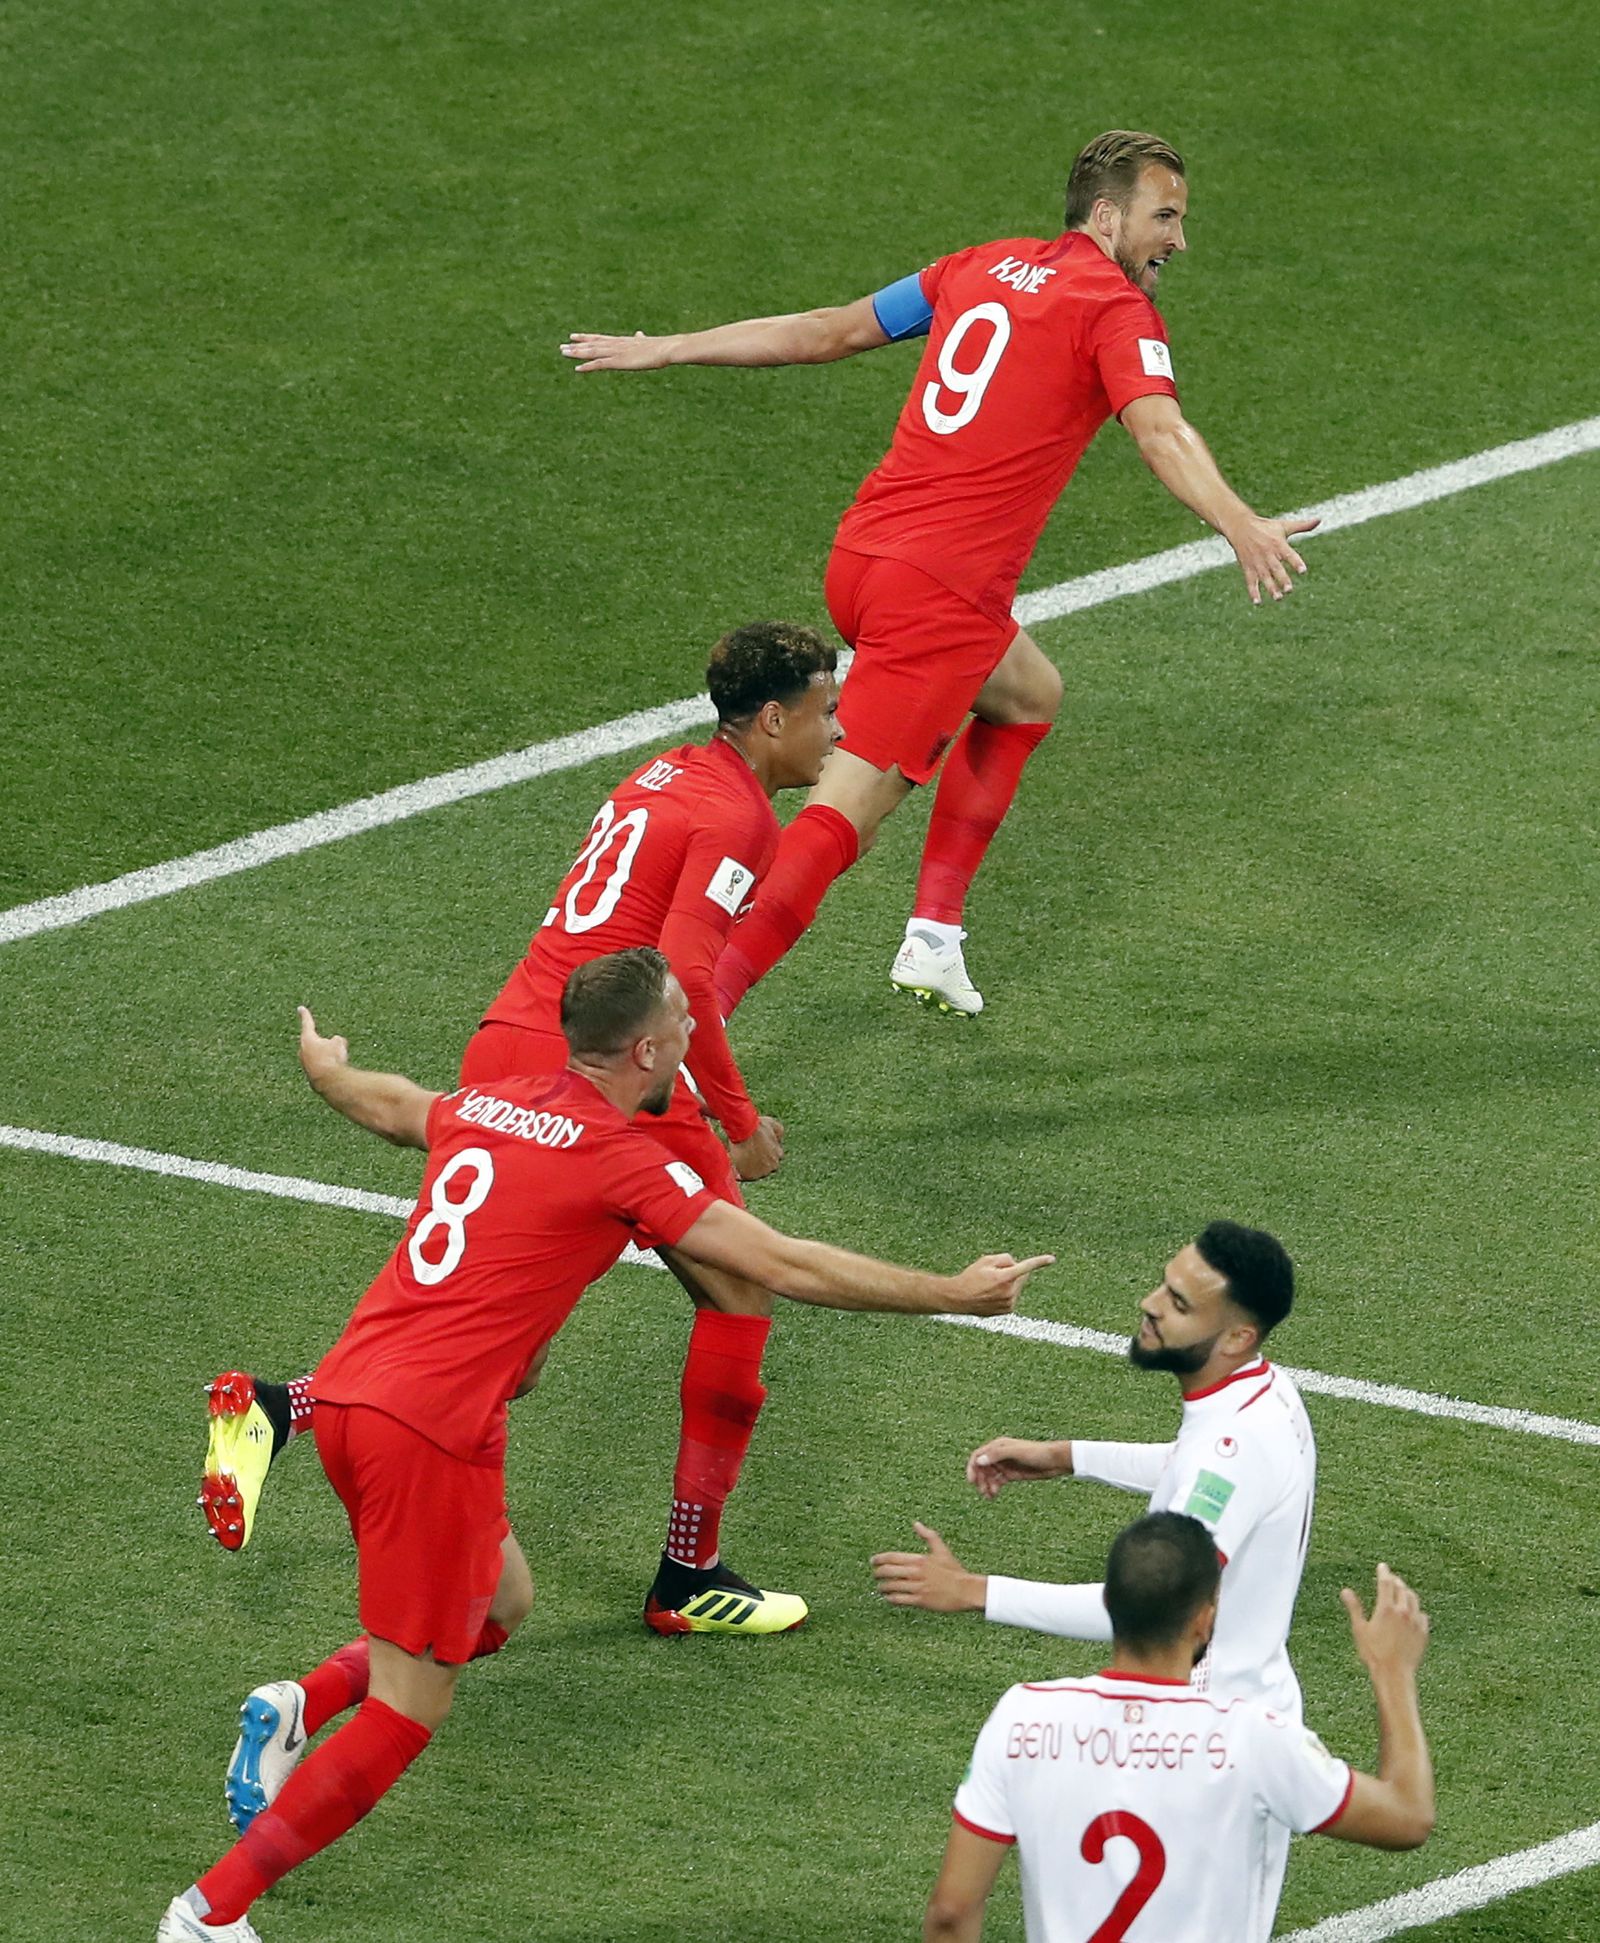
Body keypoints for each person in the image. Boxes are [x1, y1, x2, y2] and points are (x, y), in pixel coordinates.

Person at [159, 950, 1049, 1942]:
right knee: (408, 1709)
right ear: (650, 1047)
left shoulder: (493, 1101)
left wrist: (324, 1068)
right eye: (683, 1020)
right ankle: (208, 1912)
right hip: (428, 1432)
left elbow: (394, 1103)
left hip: (353, 1395)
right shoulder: (619, 1157)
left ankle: (293, 1705)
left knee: (502, 1602)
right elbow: (782, 1264)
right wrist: (950, 1290)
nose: (695, 1034)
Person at [561, 130, 1318, 1018]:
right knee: (846, 816)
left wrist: (670, 347)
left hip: (866, 557)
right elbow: (1158, 428)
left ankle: (934, 937)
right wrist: (1239, 522)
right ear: (1107, 215)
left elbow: (827, 331)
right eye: (1166, 217)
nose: (1179, 241)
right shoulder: (1115, 311)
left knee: (1027, 692)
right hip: (941, 595)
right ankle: (694, 1020)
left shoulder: (981, 267)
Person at [203, 621, 848, 1638]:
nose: (838, 730)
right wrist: (736, 1119)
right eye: (825, 709)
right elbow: (682, 983)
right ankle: (689, 1572)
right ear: (773, 718)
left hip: (510, 1037)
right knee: (742, 1286)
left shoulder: (663, 774)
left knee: (510, 1343)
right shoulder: (738, 817)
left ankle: (285, 1408)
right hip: (602, 1069)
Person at [923, 1514, 1434, 1943]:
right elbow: (1407, 1817)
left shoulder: (1022, 1717)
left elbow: (951, 1912)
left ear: (1110, 1605)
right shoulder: (1249, 1736)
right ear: (1204, 1621)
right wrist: (1392, 1673)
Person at [871, 1221, 1311, 1719]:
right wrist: (1066, 1457)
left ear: (1237, 1337)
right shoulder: (1268, 1392)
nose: (1151, 1303)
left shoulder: (1233, 1447)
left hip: (1209, 1738)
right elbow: (1195, 1470)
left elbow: (1152, 1609)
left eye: (1179, 1304)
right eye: (1165, 1284)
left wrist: (974, 1590)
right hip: (1251, 1707)